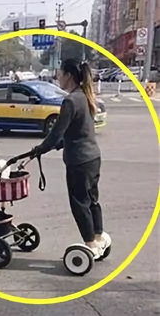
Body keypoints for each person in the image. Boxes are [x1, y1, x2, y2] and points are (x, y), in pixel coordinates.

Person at [32, 59, 111, 259]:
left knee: (79, 203)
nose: (58, 76)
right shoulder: (85, 96)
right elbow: (76, 132)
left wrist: (40, 149)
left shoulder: (70, 101)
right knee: (92, 199)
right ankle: (99, 237)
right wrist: (56, 145)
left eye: (59, 73)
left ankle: (90, 244)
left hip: (79, 161)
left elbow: (56, 133)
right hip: (93, 157)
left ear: (68, 75)